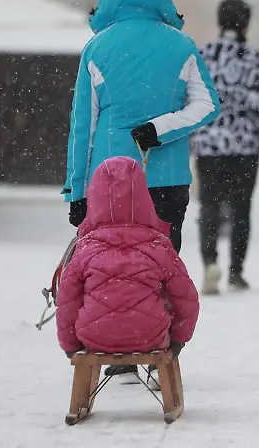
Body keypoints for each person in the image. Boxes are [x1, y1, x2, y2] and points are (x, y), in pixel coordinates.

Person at [63, 0, 219, 379]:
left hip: (108, 180)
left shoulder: (97, 49)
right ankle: (160, 346)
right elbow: (207, 105)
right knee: (164, 263)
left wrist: (77, 191)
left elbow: (83, 127)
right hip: (167, 177)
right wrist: (161, 128)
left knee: (111, 266)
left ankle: (116, 349)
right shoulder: (181, 46)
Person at [56, 157, 199, 385]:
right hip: (150, 335)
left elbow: (67, 302)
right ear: (144, 198)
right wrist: (178, 341)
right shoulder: (158, 245)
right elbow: (186, 299)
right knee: (164, 292)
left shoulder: (85, 247)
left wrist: (70, 346)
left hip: (94, 336)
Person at [192, 0, 259, 294]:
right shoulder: (257, 61)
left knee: (208, 206)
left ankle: (209, 264)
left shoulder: (202, 57)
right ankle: (235, 271)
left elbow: (188, 100)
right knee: (241, 209)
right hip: (245, 148)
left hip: (209, 147)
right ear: (246, 23)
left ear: (219, 22)